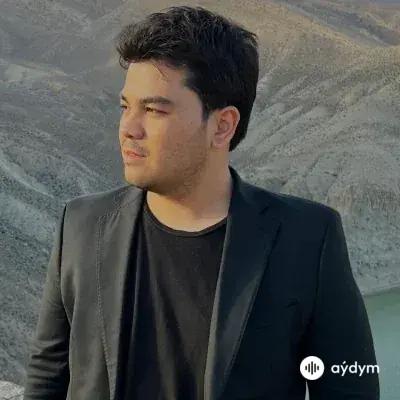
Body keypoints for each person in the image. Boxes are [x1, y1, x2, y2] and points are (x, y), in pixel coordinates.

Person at [23, 5, 379, 400]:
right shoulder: (82, 225)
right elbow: (47, 377)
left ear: (222, 125)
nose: (129, 128)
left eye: (153, 110)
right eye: (126, 107)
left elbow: (351, 386)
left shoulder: (307, 239)